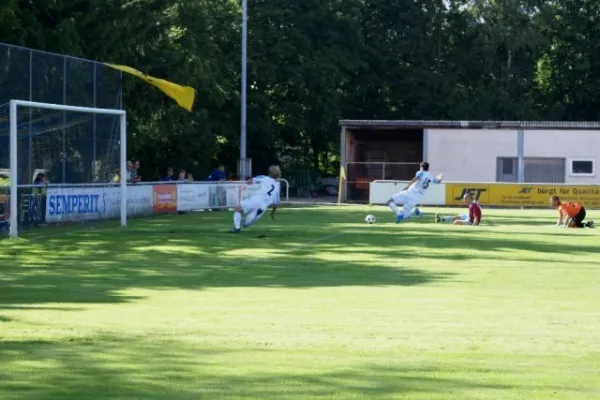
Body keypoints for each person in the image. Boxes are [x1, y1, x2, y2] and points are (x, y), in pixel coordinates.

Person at [231, 165, 281, 233]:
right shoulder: (277, 186)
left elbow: (250, 181)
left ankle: (237, 228)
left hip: (256, 199)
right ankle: (254, 214)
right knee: (245, 225)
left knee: (237, 209)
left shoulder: (264, 178)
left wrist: (248, 182)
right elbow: (276, 204)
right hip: (263, 206)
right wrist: (272, 213)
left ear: (269, 172)